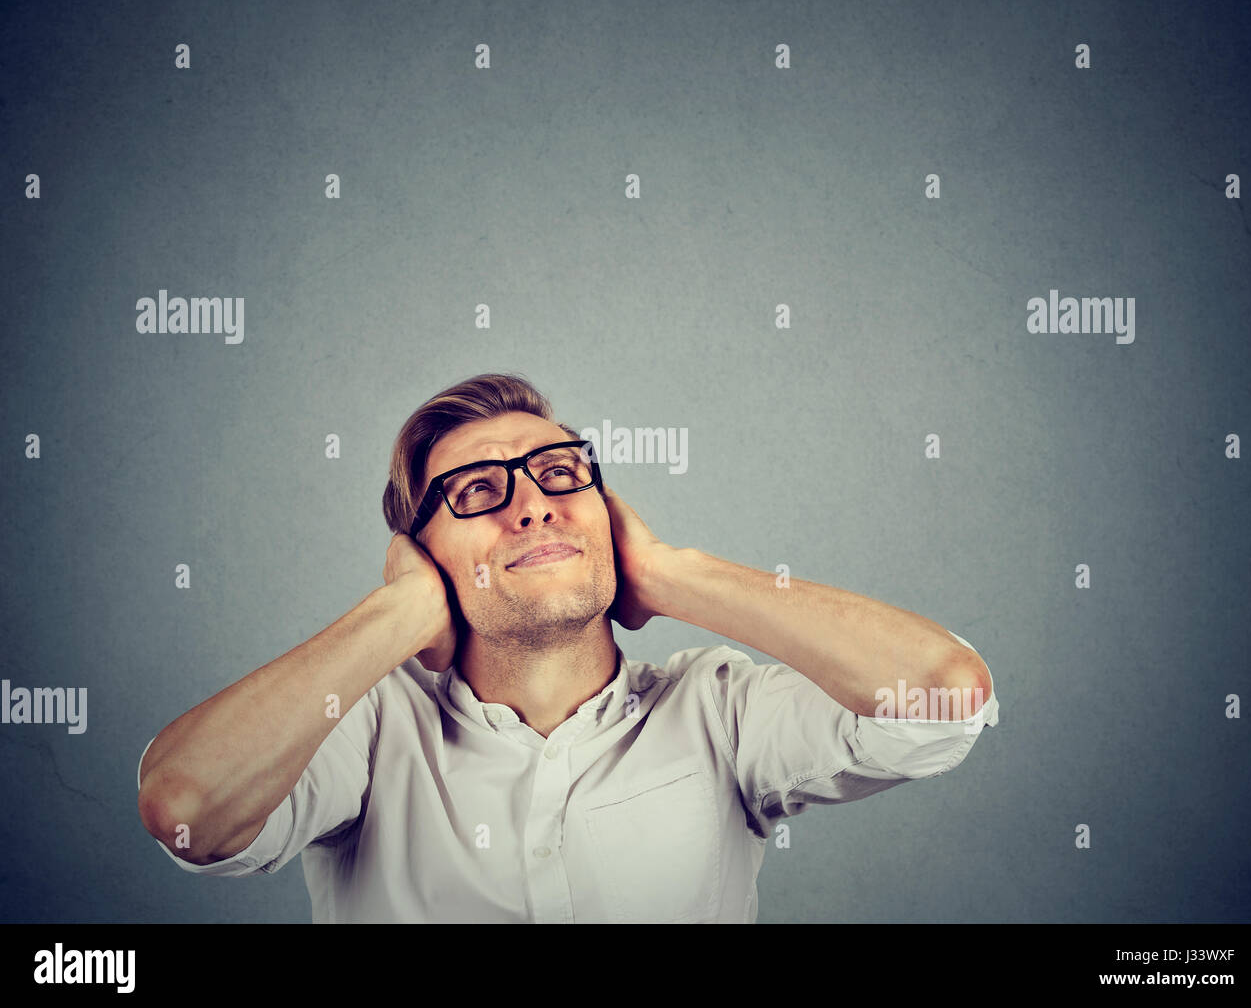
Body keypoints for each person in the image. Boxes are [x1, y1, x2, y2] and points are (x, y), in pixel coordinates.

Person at [136, 372, 1000, 923]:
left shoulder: (718, 709)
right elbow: (188, 806)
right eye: (478, 490)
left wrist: (670, 572)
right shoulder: (367, 726)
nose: (534, 505)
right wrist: (397, 615)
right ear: (423, 553)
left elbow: (945, 693)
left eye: (559, 474)